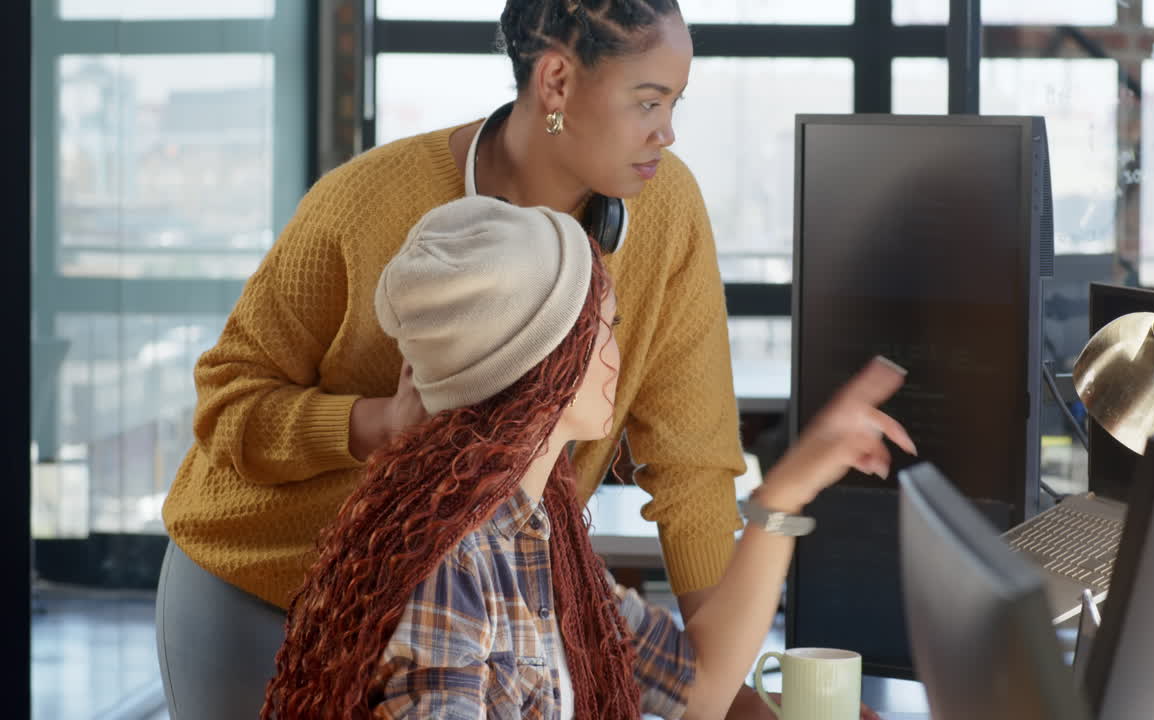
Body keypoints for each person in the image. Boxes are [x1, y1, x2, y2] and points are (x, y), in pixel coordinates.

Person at [155, 1, 822, 717]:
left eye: (674, 102)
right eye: (648, 101)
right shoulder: (363, 205)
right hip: (267, 586)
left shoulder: (663, 207)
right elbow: (227, 402)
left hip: (481, 591)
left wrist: (730, 698)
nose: (668, 130)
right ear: (558, 82)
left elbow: (691, 469)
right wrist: (378, 424)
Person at [261, 196, 915, 719]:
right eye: (605, 331)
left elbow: (700, 689)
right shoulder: (454, 563)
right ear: (544, 362)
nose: (617, 359)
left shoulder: (540, 533)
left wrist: (785, 495)